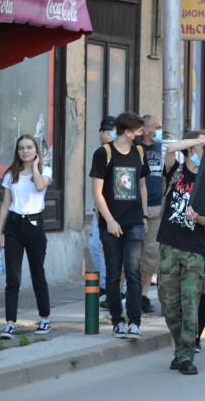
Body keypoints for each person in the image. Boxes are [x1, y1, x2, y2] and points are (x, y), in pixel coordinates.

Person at [156, 130, 205, 374]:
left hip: (194, 250)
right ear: (192, 148)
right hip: (169, 246)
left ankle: (185, 356)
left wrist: (198, 217)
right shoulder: (176, 170)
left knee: (190, 303)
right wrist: (200, 141)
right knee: (169, 304)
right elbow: (170, 149)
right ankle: (180, 348)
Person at [90, 111, 151, 340]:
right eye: (139, 131)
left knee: (133, 272)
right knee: (114, 274)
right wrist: (110, 221)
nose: (142, 134)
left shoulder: (139, 152)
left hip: (134, 221)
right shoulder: (103, 153)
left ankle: (135, 322)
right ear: (128, 131)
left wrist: (144, 216)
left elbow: (142, 187)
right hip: (110, 224)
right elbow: (97, 192)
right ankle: (117, 321)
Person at [0, 135, 53, 339]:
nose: (25, 151)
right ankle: (10, 324)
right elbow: (5, 204)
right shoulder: (11, 174)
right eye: (21, 148)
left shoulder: (45, 171)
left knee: (38, 274)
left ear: (36, 150)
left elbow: (39, 186)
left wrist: (36, 166)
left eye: (29, 147)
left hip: (34, 225)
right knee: (13, 278)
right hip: (13, 225)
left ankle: (45, 319)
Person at [90, 116, 116, 309]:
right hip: (101, 208)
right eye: (105, 130)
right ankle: (104, 286)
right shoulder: (101, 153)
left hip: (122, 210)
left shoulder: (127, 152)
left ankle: (117, 288)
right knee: (94, 244)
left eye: (111, 130)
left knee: (118, 250)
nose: (107, 134)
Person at [139, 114, 163, 313]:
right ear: (146, 130)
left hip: (156, 208)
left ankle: (143, 296)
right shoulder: (135, 149)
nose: (161, 131)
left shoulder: (162, 149)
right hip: (134, 210)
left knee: (151, 255)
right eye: (158, 127)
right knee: (128, 256)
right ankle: (118, 294)